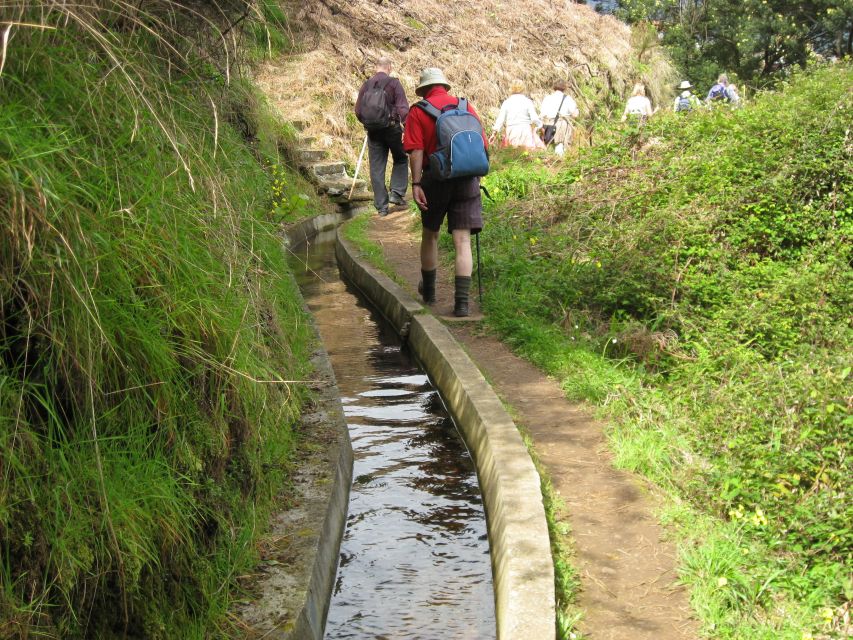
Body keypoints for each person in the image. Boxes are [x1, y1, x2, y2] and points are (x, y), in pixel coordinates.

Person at [403, 68, 488, 317]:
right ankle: (461, 304)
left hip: (435, 179)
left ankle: (429, 294)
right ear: (444, 86)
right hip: (467, 178)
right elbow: (481, 145)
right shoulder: (465, 107)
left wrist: (416, 184)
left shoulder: (418, 111)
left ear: (424, 89)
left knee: (431, 235)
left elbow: (416, 151)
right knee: (462, 241)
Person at [355, 57, 410, 217]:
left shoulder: (366, 85)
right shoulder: (394, 83)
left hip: (373, 131)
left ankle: (382, 208)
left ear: (376, 68)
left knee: (376, 167)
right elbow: (402, 108)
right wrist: (407, 127)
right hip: (392, 128)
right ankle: (397, 193)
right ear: (389, 67)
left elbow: (358, 110)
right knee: (400, 158)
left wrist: (369, 123)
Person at [490, 82, 545, 150]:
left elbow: (500, 120)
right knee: (528, 153)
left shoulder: (507, 102)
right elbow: (534, 118)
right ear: (523, 89)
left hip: (511, 130)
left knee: (513, 154)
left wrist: (494, 133)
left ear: (511, 89)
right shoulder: (527, 101)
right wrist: (540, 126)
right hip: (525, 130)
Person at [539, 80, 580, 155]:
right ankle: (559, 162)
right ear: (564, 88)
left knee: (547, 146)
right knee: (560, 147)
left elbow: (542, 114)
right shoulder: (568, 99)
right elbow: (574, 115)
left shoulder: (547, 98)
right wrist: (577, 110)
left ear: (554, 87)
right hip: (562, 125)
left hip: (548, 125)